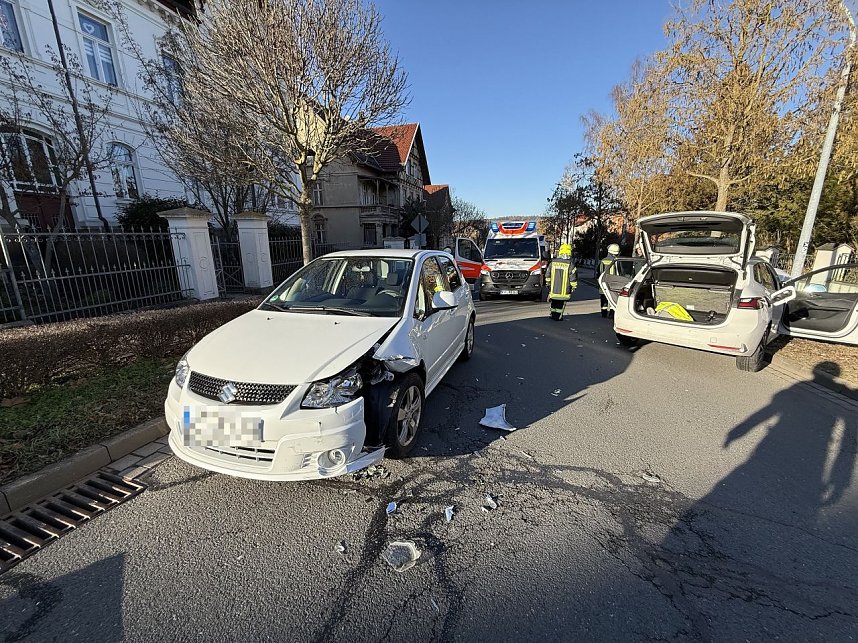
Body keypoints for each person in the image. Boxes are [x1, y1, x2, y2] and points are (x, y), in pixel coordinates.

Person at [546, 243, 578, 320]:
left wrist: (548, 284)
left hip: (553, 290)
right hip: (564, 291)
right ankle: (558, 317)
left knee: (554, 303)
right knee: (560, 304)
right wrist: (574, 287)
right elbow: (573, 278)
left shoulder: (552, 263)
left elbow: (547, 275)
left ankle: (553, 315)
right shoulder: (570, 264)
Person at [599, 243, 621, 318]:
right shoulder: (617, 261)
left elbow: (600, 273)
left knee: (604, 300)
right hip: (614, 284)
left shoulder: (603, 261)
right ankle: (612, 314)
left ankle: (604, 314)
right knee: (613, 299)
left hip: (604, 284)